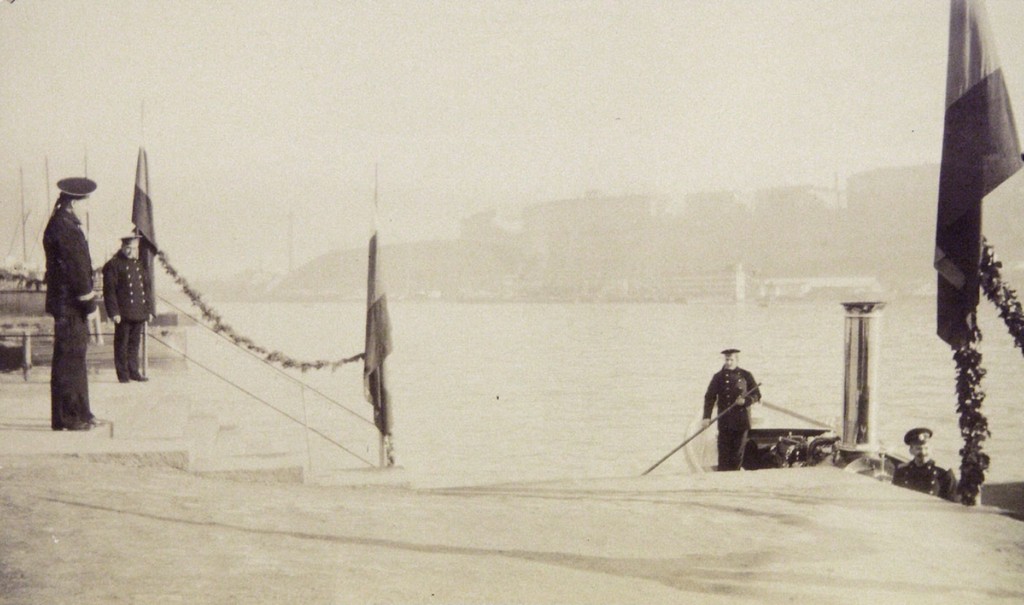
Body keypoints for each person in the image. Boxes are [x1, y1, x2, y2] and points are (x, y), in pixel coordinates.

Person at [42, 177, 100, 431]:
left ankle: (81, 412)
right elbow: (76, 270)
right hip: (70, 303)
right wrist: (89, 303)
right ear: (74, 203)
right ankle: (68, 417)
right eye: (85, 202)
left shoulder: (64, 223)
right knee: (69, 360)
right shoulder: (64, 227)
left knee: (76, 358)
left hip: (68, 303)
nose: (87, 207)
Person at [102, 234, 154, 383]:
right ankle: (123, 374)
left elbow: (146, 289)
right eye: (128, 248)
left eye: (134, 248)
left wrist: (149, 310)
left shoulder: (139, 265)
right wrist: (114, 312)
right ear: (122, 247)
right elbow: (110, 291)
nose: (131, 251)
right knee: (122, 345)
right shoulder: (113, 265)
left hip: (138, 311)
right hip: (123, 313)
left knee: (134, 344)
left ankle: (134, 371)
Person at [702, 348, 761, 471]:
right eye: (727, 359)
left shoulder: (746, 375)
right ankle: (723, 478)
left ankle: (735, 478)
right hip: (725, 421)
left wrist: (746, 401)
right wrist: (706, 417)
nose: (728, 362)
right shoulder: (718, 377)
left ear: (737, 360)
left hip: (741, 421)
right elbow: (709, 397)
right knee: (723, 455)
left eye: (731, 360)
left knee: (737, 455)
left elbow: (757, 395)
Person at [892, 427, 958, 502]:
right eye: (918, 449)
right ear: (911, 451)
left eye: (926, 448)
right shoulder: (902, 471)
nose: (923, 452)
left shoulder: (943, 472)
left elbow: (953, 502)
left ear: (931, 449)